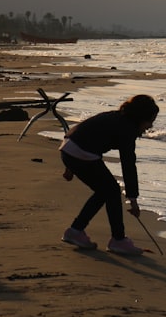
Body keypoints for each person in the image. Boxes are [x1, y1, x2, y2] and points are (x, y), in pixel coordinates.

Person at [59, 94, 159, 255]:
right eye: (150, 121)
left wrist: (69, 166)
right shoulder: (127, 129)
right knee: (111, 191)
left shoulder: (115, 117)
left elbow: (85, 131)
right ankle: (117, 240)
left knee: (105, 191)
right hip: (81, 152)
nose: (150, 126)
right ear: (141, 117)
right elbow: (128, 164)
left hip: (68, 147)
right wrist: (132, 199)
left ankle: (77, 230)